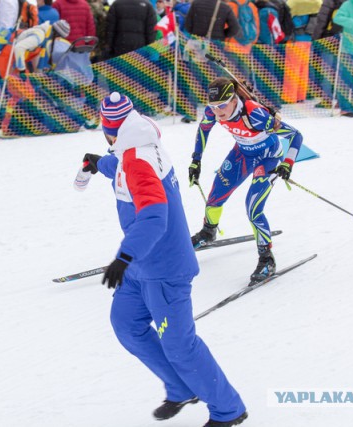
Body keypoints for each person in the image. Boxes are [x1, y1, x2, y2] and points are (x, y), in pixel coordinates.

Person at [81, 91, 248, 427]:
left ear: (109, 130)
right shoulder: (136, 145)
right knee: (127, 325)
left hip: (163, 267)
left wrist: (124, 257)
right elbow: (125, 169)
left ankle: (229, 410)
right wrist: (100, 163)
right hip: (141, 265)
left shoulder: (137, 159)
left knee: (180, 345)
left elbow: (155, 214)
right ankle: (181, 387)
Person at [188, 77, 303, 283]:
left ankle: (266, 258)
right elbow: (203, 130)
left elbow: (296, 136)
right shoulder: (213, 111)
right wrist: (196, 161)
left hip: (267, 157)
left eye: (222, 106)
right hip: (242, 153)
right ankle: (208, 232)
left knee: (253, 207)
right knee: (215, 197)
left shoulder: (255, 114)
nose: (218, 112)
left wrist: (287, 163)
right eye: (213, 107)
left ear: (234, 100)